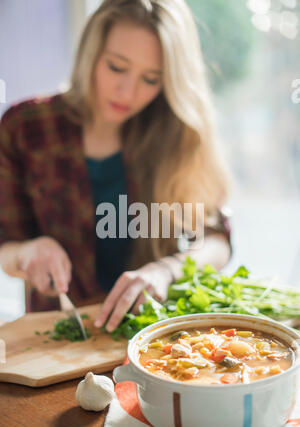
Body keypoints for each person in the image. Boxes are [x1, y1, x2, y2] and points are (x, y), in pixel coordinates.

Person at [0, 0, 233, 332]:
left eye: (151, 79)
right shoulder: (25, 126)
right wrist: (28, 252)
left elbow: (217, 241)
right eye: (116, 67)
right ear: (91, 53)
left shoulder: (176, 133)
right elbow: (5, 248)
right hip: (58, 335)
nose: (128, 91)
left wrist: (166, 270)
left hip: (155, 336)